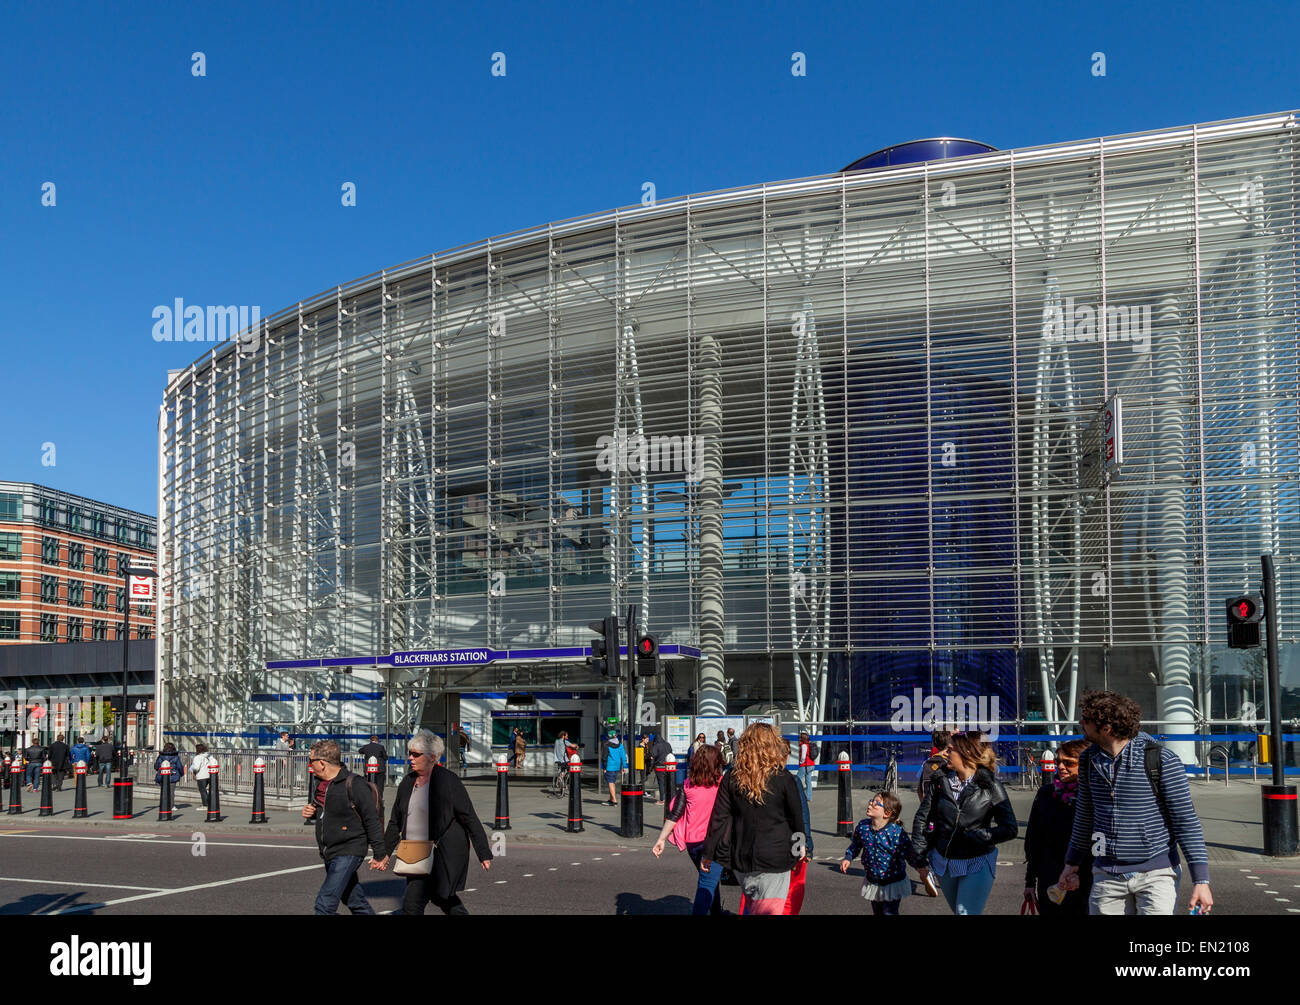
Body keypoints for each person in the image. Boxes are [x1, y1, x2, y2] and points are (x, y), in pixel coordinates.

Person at [1058, 691, 1212, 916]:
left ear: (1106, 728)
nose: (1081, 724)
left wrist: (1201, 880)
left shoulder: (1161, 761)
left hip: (1156, 874)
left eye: (1087, 720)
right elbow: (1085, 816)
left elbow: (1186, 822)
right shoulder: (1088, 761)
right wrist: (1071, 864)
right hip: (1106, 874)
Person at [374, 729, 492, 915]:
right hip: (416, 852)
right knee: (439, 897)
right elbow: (396, 821)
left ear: (432, 757)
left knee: (418, 903)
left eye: (416, 754)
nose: (410, 758)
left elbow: (468, 816)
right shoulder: (408, 781)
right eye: (409, 753)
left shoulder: (448, 781)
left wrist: (483, 852)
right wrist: (385, 853)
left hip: (442, 852)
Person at [702, 722, 806, 915]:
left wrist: (708, 852)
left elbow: (719, 817)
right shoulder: (784, 778)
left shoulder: (731, 778)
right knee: (768, 910)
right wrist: (800, 846)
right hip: (776, 856)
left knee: (753, 906)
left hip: (742, 857)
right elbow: (796, 818)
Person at [911, 731, 1017, 915]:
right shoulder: (940, 780)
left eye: (950, 750)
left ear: (966, 753)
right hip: (944, 862)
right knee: (961, 911)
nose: (945, 753)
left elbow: (1010, 828)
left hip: (977, 861)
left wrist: (985, 835)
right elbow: (923, 817)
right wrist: (919, 855)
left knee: (964, 911)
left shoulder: (990, 785)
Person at [302, 739, 388, 915]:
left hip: (348, 850)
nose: (310, 766)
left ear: (322, 763)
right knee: (356, 902)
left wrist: (380, 853)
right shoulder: (321, 784)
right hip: (330, 851)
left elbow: (371, 819)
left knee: (324, 906)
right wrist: (312, 811)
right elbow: (326, 809)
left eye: (311, 761)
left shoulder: (355, 784)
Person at [651, 744, 726, 914]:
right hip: (714, 843)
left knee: (709, 879)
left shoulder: (687, 785)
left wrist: (661, 839)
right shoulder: (722, 785)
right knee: (707, 883)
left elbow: (674, 814)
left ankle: (717, 912)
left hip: (693, 843)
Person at [1023, 739, 1091, 916]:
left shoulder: (1095, 795)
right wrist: (1030, 882)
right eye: (1058, 761)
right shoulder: (1046, 794)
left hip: (1087, 880)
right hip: (1051, 878)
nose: (1061, 767)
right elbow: (1034, 840)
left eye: (1069, 763)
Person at [840, 790, 925, 915]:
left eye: (876, 803)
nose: (870, 804)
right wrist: (848, 857)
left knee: (889, 912)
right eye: (871, 801)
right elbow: (856, 845)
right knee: (878, 911)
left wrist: (920, 865)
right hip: (873, 881)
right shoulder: (863, 827)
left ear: (887, 813)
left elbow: (909, 852)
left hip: (893, 881)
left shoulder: (896, 832)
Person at [916, 729, 952, 796]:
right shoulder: (951, 763)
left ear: (934, 744)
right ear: (949, 743)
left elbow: (919, 790)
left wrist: (925, 805)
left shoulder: (926, 763)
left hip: (930, 804)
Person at [153, 742, 183, 811]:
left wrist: (159, 770)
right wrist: (181, 774)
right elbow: (179, 767)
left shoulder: (161, 757)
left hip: (162, 775)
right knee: (171, 792)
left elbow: (156, 766)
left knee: (164, 791)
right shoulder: (176, 757)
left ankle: (164, 804)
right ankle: (171, 805)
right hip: (173, 775)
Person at [649, 732, 674, 803]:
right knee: (667, 783)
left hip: (659, 767)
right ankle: (669, 798)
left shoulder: (656, 746)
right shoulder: (668, 744)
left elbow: (653, 757)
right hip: (668, 766)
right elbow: (671, 753)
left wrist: (650, 767)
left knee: (661, 783)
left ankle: (662, 799)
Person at [603, 734, 627, 805]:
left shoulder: (606, 745)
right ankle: (611, 799)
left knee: (610, 783)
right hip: (617, 766)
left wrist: (604, 767)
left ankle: (614, 800)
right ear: (615, 736)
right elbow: (623, 756)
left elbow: (604, 757)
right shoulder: (620, 745)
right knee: (612, 782)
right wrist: (624, 767)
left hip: (609, 766)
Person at [189, 743, 215, 807]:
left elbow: (196, 767)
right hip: (209, 775)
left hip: (201, 776)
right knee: (208, 790)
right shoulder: (209, 756)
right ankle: (209, 803)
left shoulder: (197, 757)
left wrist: (194, 772)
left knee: (202, 790)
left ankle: (205, 804)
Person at [796, 731, 817, 804]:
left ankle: (796, 795)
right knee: (808, 781)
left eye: (800, 737)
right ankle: (809, 797)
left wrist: (801, 762)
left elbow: (803, 757)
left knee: (796, 780)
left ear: (802, 738)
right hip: (811, 765)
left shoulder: (803, 745)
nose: (799, 738)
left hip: (805, 765)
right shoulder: (808, 745)